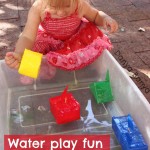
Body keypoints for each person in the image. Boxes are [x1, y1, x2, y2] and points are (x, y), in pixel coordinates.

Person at [5, 0, 118, 83]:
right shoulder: (38, 7)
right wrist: (20, 53)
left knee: (93, 41)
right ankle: (35, 81)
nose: (60, 13)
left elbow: (95, 16)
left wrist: (105, 19)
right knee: (31, 53)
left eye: (67, 6)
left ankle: (92, 72)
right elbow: (28, 36)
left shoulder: (80, 4)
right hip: (49, 39)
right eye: (53, 7)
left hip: (74, 40)